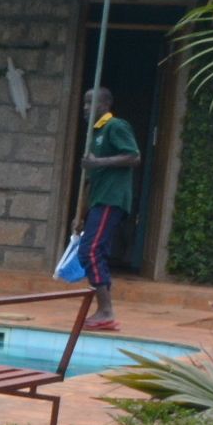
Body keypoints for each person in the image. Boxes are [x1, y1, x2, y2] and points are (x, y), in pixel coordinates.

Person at [75, 85, 141, 333]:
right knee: (93, 251)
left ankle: (106, 311)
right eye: (84, 103)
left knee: (90, 251)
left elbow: (133, 156)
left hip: (112, 199)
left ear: (104, 105)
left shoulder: (116, 126)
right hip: (98, 200)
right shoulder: (96, 133)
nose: (84, 108)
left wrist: (98, 162)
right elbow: (92, 177)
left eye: (89, 103)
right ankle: (104, 311)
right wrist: (80, 214)